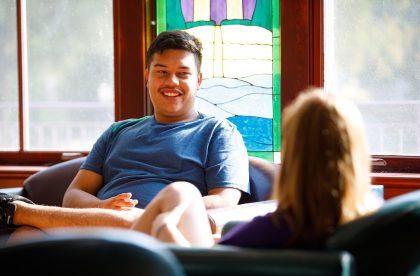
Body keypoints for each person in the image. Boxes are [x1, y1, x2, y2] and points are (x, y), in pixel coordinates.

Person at [0, 30, 249, 241]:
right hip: (96, 234)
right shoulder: (118, 131)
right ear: (147, 77)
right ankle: (22, 216)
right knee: (25, 235)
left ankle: (17, 210)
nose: (171, 81)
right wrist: (101, 208)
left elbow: (225, 200)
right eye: (161, 72)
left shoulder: (218, 131)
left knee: (139, 215)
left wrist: (159, 209)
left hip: (161, 234)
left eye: (183, 73)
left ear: (198, 81)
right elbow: (73, 195)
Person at [127, 88, 383, 248]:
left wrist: (166, 229)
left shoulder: (274, 229)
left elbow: (204, 267)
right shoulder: (379, 226)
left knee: (173, 202)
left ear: (294, 158)